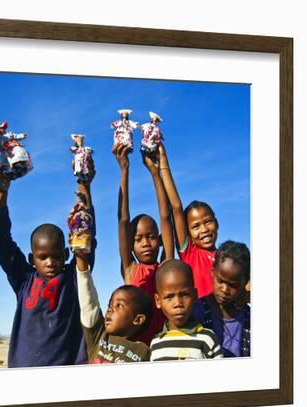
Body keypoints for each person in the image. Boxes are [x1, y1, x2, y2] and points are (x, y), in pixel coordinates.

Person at [0, 163, 96, 368]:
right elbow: (4, 243)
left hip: (68, 373)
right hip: (25, 374)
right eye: (43, 257)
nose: (50, 262)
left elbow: (86, 240)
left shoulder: (73, 278)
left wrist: (85, 189)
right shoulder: (24, 280)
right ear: (32, 259)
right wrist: (2, 197)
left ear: (66, 254)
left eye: (56, 256)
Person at [114, 142, 174, 345]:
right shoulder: (130, 269)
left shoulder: (166, 267)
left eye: (151, 236)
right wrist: (124, 169)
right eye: (138, 239)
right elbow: (123, 220)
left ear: (159, 238)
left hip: (162, 348)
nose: (146, 243)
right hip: (135, 349)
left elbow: (166, 216)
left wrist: (155, 173)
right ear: (130, 245)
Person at [157, 143, 219, 298]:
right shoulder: (190, 253)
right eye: (196, 226)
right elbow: (176, 207)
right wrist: (163, 161)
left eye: (208, 222)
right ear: (188, 232)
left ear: (216, 223)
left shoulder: (228, 257)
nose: (204, 230)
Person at [75, 251, 152, 363]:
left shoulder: (145, 352)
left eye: (119, 305)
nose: (110, 309)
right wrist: (81, 261)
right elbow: (89, 303)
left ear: (138, 319)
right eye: (109, 305)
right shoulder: (99, 336)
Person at [150, 260, 222, 361]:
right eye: (169, 297)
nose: (178, 303)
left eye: (184, 295)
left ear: (195, 295)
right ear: (158, 301)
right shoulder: (156, 343)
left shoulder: (208, 339)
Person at [193, 241, 251, 357]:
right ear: (212, 271)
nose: (224, 289)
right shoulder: (198, 310)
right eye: (220, 281)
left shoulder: (248, 315)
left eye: (233, 285)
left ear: (245, 283)